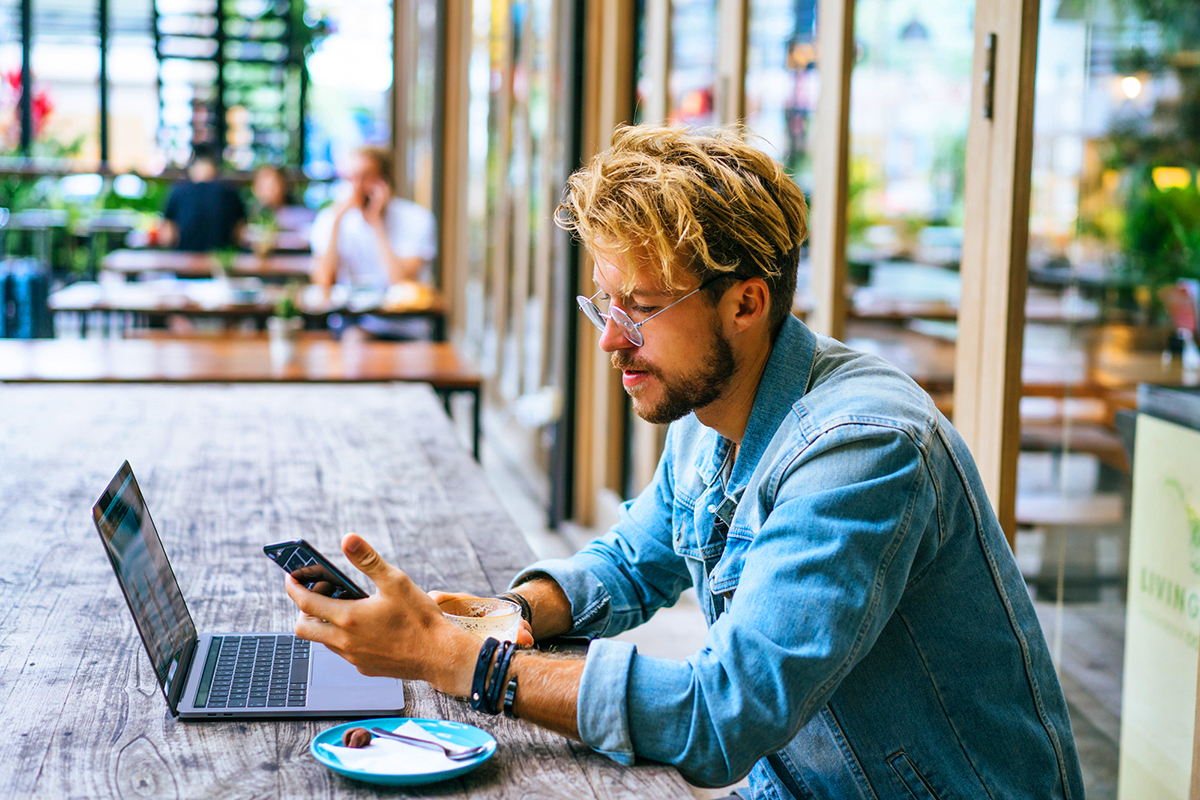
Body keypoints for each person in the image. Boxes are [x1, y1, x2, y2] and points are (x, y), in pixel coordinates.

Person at [284, 125, 1084, 799]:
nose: (608, 338)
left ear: (745, 302)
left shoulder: (865, 448)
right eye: (605, 303)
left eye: (641, 307)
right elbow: (632, 560)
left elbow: (725, 712)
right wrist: (514, 613)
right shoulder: (711, 414)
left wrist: (465, 662)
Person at [309, 146, 437, 338]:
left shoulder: (417, 219)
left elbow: (401, 283)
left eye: (366, 176)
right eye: (351, 177)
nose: (357, 186)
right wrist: (337, 222)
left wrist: (377, 225)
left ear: (385, 180)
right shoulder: (329, 221)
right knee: (355, 340)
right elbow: (324, 285)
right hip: (354, 324)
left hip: (406, 327)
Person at [160, 143, 246, 252]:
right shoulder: (230, 192)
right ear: (215, 167)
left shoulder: (178, 192)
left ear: (192, 166)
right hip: (221, 263)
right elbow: (240, 235)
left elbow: (168, 237)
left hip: (184, 263)